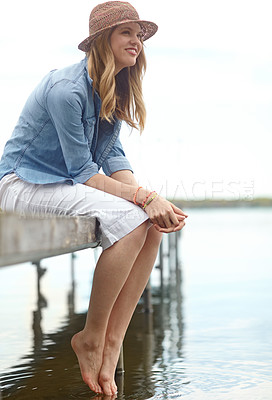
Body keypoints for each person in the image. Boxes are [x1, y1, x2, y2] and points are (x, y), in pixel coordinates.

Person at [0, 1, 187, 396]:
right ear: (103, 40)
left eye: (140, 35)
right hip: (21, 183)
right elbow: (83, 172)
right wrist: (144, 197)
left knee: (148, 223)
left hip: (60, 183)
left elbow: (113, 156)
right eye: (127, 32)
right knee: (135, 218)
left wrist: (148, 201)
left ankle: (113, 340)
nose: (137, 41)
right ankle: (91, 336)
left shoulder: (113, 87)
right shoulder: (66, 91)